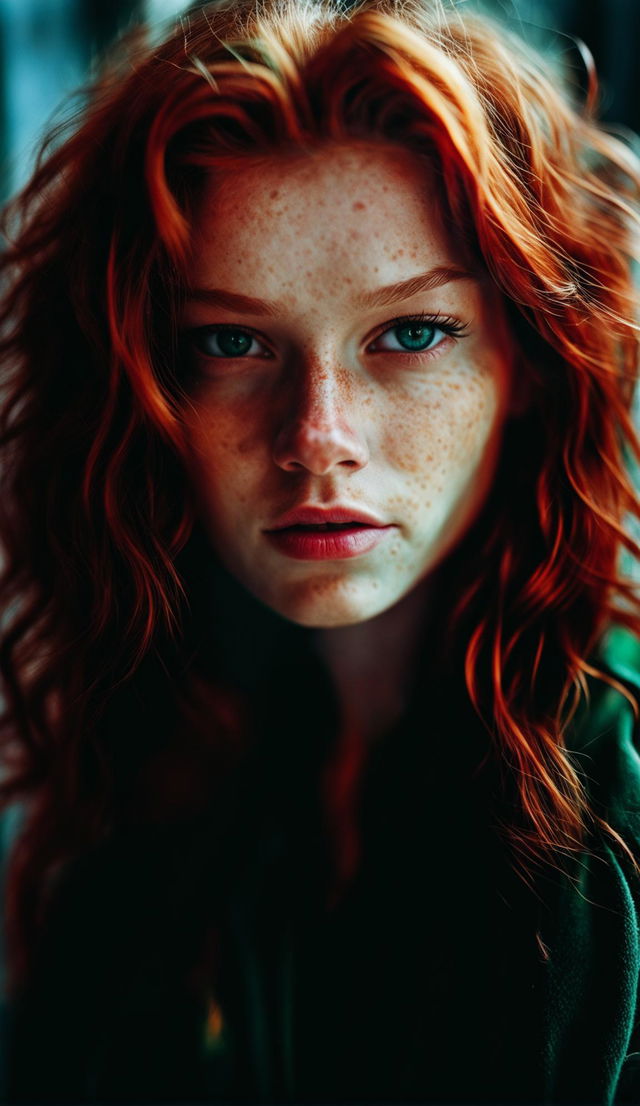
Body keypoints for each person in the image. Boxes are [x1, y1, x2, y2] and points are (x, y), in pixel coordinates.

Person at [1, 0, 640, 1101]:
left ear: (528, 356)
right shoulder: (148, 778)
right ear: (140, 386)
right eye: (231, 342)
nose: (317, 438)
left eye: (408, 333)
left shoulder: (619, 820)